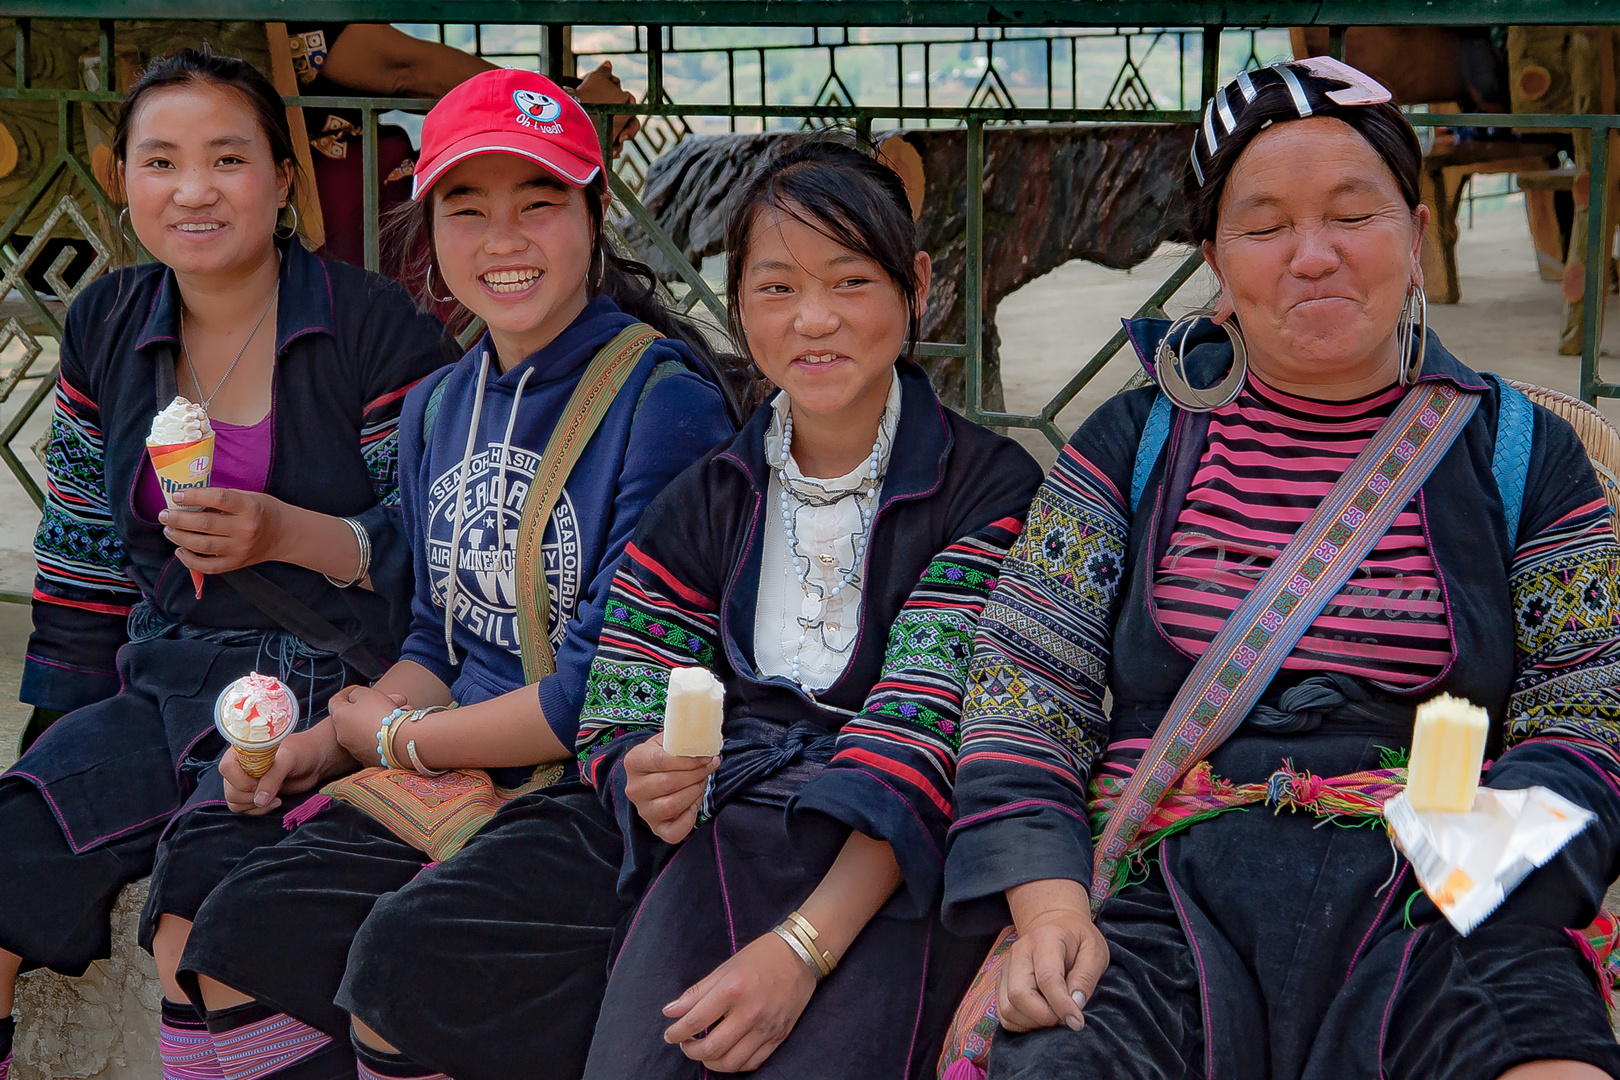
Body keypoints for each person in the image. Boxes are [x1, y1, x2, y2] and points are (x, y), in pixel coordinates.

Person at [938, 58, 1620, 1080]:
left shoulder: (1521, 455)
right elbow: (1026, 687)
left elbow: (1588, 707)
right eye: (1264, 227)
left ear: (1419, 235)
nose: (1314, 256)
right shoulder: (1131, 445)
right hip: (1164, 891)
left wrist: (1486, 877)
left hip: (1442, 891)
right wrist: (1049, 905)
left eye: (1354, 214)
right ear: (1214, 256)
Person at [172, 68, 737, 1080]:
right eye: (467, 211)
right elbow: (439, 638)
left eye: (539, 204)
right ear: (429, 229)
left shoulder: (664, 405)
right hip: (455, 769)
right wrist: (312, 749)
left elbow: (594, 695)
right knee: (235, 930)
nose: (503, 241)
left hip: (591, 789)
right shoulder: (440, 404)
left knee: (405, 972)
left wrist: (388, 737)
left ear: (595, 214)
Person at [0, 46, 457, 1080]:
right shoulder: (108, 324)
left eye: (227, 159)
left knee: (203, 925)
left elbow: (439, 550)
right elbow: (80, 552)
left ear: (283, 177)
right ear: (122, 179)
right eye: (160, 162)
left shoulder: (374, 329)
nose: (193, 190)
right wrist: (57, 742)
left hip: (321, 677)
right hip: (160, 677)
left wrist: (285, 533)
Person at [570, 135, 1043, 1079]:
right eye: (777, 288)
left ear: (914, 286)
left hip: (894, 860)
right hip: (725, 839)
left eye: (850, 281)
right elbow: (619, 700)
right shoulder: (712, 495)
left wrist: (800, 951)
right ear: (739, 305)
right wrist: (642, 771)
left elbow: (929, 727)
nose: (814, 320)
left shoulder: (988, 488)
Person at [276, 22, 640, 272]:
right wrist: (565, 108)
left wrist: (559, 104)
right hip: (343, 214)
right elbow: (403, 70)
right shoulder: (298, 20)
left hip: (352, 198)